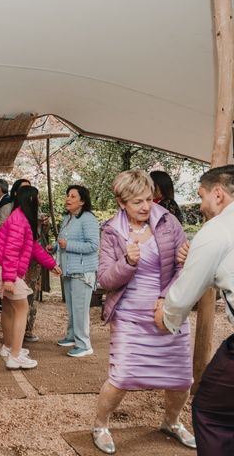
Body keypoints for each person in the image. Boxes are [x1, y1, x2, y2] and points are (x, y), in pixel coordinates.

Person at [92, 170, 194, 454]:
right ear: (121, 202)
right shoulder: (112, 230)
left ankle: (171, 422)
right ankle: (100, 425)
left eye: (149, 199)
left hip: (169, 311)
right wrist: (127, 261)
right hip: (130, 316)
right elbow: (104, 279)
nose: (146, 206)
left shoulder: (168, 222)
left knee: (181, 377)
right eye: (137, 201)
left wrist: (166, 299)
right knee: (122, 376)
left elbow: (184, 265)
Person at [154, 164, 234, 456]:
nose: (200, 206)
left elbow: (186, 293)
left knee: (211, 410)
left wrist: (167, 315)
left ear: (218, 193)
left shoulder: (218, 228)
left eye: (201, 196)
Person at [0, 186, 61, 369]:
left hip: (2, 267)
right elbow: (11, 251)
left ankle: (9, 347)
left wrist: (51, 264)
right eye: (38, 198)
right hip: (5, 269)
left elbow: (34, 247)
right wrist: (9, 279)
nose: (40, 201)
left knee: (9, 308)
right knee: (22, 308)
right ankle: (15, 356)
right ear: (31, 200)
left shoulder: (21, 218)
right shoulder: (19, 221)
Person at [54, 185, 100, 357]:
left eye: (73, 196)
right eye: (68, 195)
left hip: (83, 271)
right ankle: (72, 336)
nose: (68, 199)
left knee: (80, 308)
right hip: (68, 269)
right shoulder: (67, 218)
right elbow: (62, 241)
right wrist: (54, 247)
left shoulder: (88, 219)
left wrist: (69, 245)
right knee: (72, 307)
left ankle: (84, 344)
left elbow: (94, 245)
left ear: (82, 201)